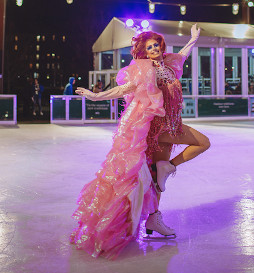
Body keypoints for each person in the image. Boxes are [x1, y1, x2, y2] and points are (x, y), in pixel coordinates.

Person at [71, 24, 210, 260]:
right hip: (162, 127)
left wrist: (193, 39)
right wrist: (97, 95)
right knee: (203, 142)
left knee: (156, 176)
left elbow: (183, 54)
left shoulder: (169, 65)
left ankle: (154, 217)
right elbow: (125, 88)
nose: (155, 48)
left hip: (169, 125)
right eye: (149, 47)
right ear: (144, 51)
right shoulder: (148, 71)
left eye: (156, 45)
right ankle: (169, 168)